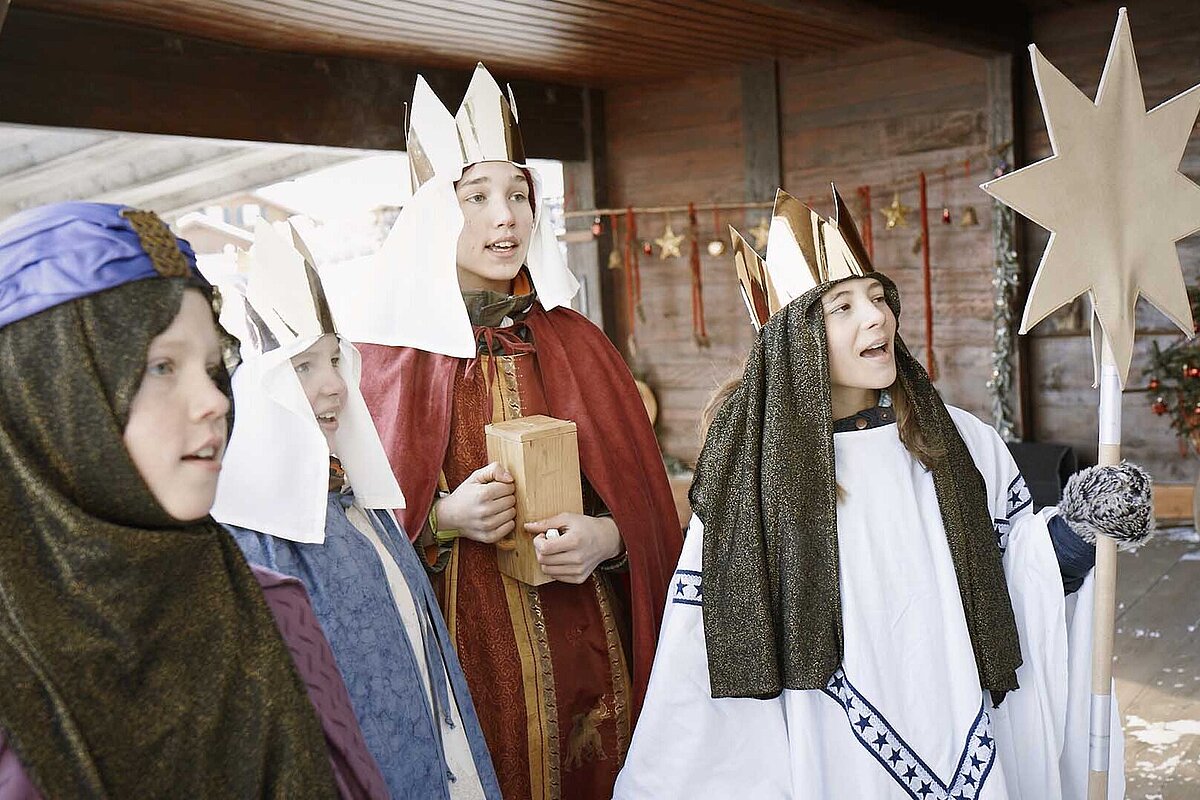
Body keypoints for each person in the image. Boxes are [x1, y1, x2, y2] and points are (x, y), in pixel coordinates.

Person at [614, 187, 1150, 799]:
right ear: (793, 341)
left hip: (965, 724)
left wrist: (1078, 532)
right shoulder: (751, 482)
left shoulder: (956, 442)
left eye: (877, 297)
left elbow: (1017, 573)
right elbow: (706, 673)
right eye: (841, 307)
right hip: (829, 757)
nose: (877, 317)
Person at [333, 65, 683, 799]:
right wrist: (443, 518)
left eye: (519, 195)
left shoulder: (577, 342)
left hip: (589, 645)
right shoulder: (385, 359)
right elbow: (353, 544)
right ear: (434, 212)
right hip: (463, 659)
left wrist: (607, 538)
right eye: (477, 197)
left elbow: (647, 508)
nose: (507, 218)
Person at [0, 203, 387, 799]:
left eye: (212, 368)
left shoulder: (274, 611)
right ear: (44, 394)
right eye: (161, 367)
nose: (215, 401)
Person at [209, 219, 500, 800]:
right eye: (303, 367)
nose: (335, 386)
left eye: (334, 360)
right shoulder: (252, 541)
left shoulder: (359, 504)